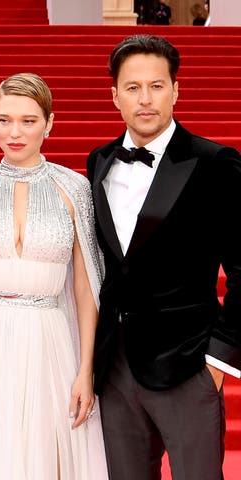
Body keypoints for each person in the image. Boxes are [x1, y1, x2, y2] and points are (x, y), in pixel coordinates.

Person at [0, 73, 108, 479]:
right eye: (4, 119)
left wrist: (86, 370)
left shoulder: (74, 189)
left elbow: (86, 287)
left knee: (47, 456)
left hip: (49, 340)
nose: (15, 132)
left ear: (49, 123)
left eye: (29, 121)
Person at [87, 34, 241, 480]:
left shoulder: (215, 163)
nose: (146, 99)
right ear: (115, 95)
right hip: (115, 368)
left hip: (189, 363)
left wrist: (217, 360)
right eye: (133, 87)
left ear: (176, 89)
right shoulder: (99, 161)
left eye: (157, 85)